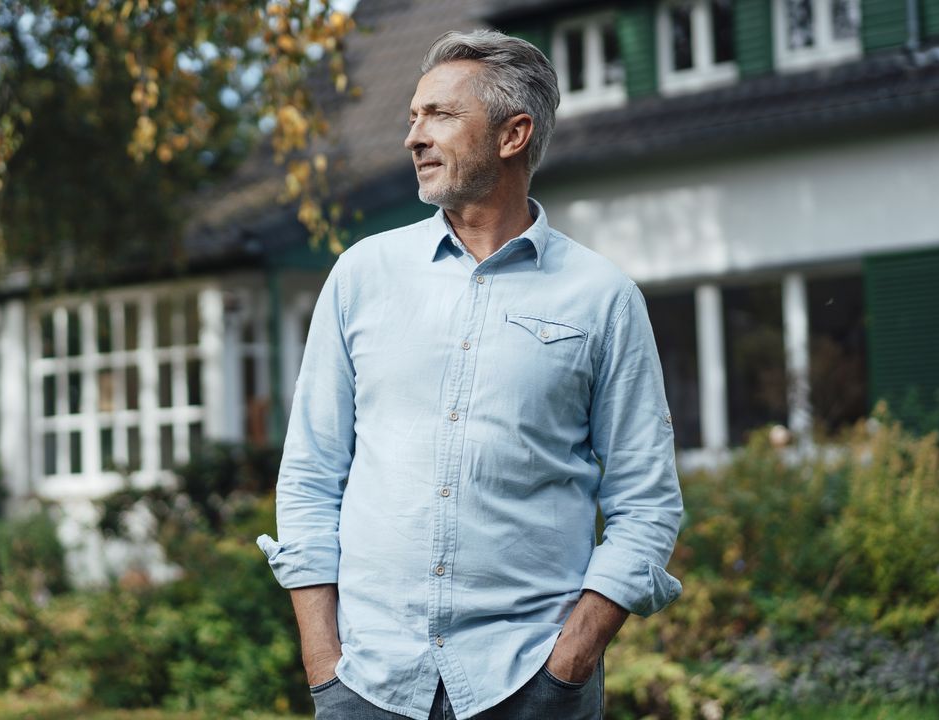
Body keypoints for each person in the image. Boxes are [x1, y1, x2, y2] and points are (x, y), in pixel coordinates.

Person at [257, 29, 684, 720]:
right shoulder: (363, 276)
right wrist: (323, 665)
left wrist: (570, 663)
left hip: (531, 685)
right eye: (412, 117)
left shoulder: (601, 297)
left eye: (440, 116)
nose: (413, 137)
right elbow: (310, 474)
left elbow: (647, 502)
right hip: (370, 683)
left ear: (513, 135)